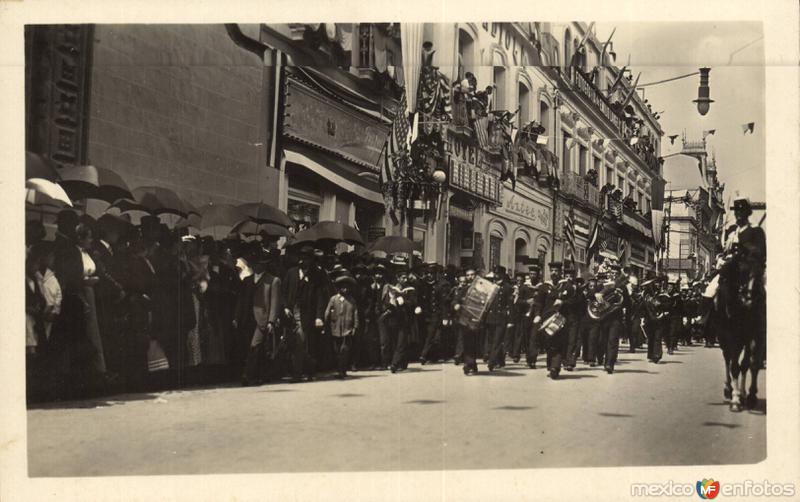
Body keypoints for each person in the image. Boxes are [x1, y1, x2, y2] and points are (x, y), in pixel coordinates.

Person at [243, 247, 282, 385]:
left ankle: (249, 376)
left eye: (259, 263)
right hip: (247, 319)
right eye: (254, 263)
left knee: (256, 345)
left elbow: (275, 302)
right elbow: (242, 301)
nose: (256, 265)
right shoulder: (247, 280)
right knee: (253, 347)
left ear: (264, 265)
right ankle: (260, 375)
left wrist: (271, 321)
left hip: (263, 319)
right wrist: (237, 317)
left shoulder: (273, 280)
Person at [324, 274, 360, 379]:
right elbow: (327, 312)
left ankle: (342, 370)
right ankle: (340, 368)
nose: (345, 289)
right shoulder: (333, 299)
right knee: (337, 350)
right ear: (338, 288)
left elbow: (355, 314)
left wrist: (355, 327)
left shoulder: (352, 300)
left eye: (347, 287)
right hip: (335, 328)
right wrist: (326, 323)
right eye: (342, 287)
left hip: (347, 329)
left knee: (345, 350)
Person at [419, 264, 454, 365]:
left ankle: (424, 355)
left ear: (436, 275)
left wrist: (445, 316)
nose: (429, 276)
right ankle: (432, 356)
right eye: (428, 273)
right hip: (427, 314)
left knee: (433, 336)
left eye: (431, 274)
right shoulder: (425, 285)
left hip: (437, 314)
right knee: (432, 337)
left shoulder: (442, 285)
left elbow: (445, 303)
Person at [486, 266, 513, 372]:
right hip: (490, 317)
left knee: (497, 340)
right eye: (495, 274)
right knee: (491, 340)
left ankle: (491, 362)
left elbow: (510, 305)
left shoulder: (507, 288)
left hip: (501, 318)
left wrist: (511, 321)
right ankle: (500, 360)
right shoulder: (490, 286)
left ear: (502, 275)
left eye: (498, 274)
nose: (496, 276)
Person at [525, 262, 549, 369]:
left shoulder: (542, 287)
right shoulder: (524, 286)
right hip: (524, 316)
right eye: (530, 274)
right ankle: (528, 357)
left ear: (538, 275)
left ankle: (532, 360)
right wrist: (526, 301)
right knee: (525, 338)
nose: (532, 276)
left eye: (534, 274)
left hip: (537, 315)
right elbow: (516, 301)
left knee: (534, 338)